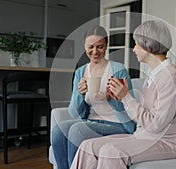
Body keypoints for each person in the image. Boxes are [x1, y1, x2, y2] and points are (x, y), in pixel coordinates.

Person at [70, 20, 176, 169]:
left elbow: (156, 125)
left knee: (111, 151)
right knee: (87, 146)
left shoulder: (172, 77)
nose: (134, 49)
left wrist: (125, 97)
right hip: (143, 136)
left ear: (148, 44)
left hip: (166, 141)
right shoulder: (153, 75)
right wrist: (121, 97)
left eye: (136, 44)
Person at [51, 25, 136, 169]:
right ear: (84, 46)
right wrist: (80, 93)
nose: (95, 51)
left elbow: (130, 110)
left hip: (117, 124)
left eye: (100, 46)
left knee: (76, 131)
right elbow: (74, 113)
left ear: (106, 46)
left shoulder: (118, 70)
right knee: (58, 131)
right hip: (91, 121)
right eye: (90, 47)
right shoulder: (80, 72)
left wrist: (112, 99)